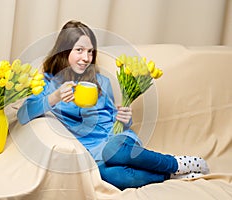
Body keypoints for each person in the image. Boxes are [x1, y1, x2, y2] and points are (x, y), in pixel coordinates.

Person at [17, 20, 209, 190]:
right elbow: (23, 115)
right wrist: (55, 97)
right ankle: (170, 174)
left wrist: (125, 119)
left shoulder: (100, 81)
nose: (86, 58)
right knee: (112, 176)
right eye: (79, 50)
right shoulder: (47, 82)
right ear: (64, 50)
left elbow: (113, 119)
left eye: (90, 52)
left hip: (117, 141)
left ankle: (176, 163)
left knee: (113, 150)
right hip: (92, 152)